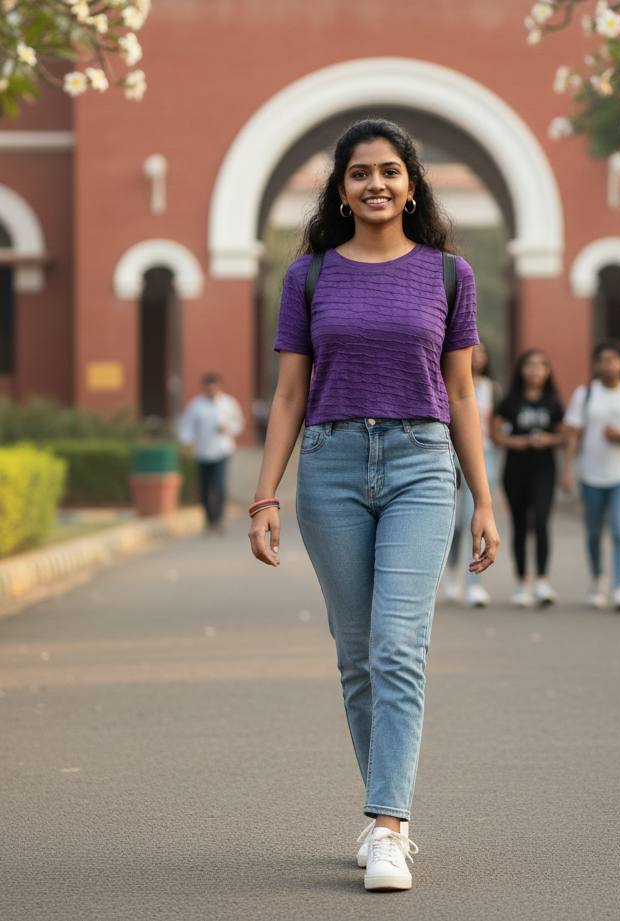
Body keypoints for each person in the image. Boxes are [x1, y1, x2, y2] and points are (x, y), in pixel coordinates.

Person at [248, 119, 499, 892]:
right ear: (340, 188)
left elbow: (460, 392)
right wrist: (265, 493)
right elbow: (290, 391)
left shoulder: (449, 275)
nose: (376, 184)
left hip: (422, 466)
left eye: (390, 171)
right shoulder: (309, 277)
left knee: (398, 646)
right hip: (329, 468)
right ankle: (382, 814)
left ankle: (388, 825)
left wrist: (483, 502)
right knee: (357, 658)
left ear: (412, 185)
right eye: (359, 173)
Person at [562, 339, 620, 612]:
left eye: (613, 359)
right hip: (591, 473)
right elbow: (573, 433)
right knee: (593, 532)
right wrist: (567, 469)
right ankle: (597, 580)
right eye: (602, 359)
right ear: (595, 364)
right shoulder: (586, 394)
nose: (607, 364)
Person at [493, 349, 565, 607]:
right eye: (529, 364)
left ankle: (542, 582)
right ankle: (522, 583)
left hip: (544, 470)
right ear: (521, 370)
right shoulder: (510, 401)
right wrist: (519, 442)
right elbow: (496, 434)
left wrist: (548, 439)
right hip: (515, 471)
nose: (535, 369)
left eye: (541, 365)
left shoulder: (552, 402)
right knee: (520, 526)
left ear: (547, 371)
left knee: (542, 522)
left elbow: (563, 435)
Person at [442, 341, 501, 607]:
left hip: (484, 457)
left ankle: (475, 584)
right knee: (454, 524)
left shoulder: (493, 389)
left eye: (481, 354)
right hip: (450, 455)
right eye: (472, 353)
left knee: (474, 519)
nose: (477, 358)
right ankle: (452, 571)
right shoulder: (444, 381)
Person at [178, 373, 245, 533]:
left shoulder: (228, 403)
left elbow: (239, 425)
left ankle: (219, 518)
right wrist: (186, 444)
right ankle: (209, 519)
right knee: (204, 486)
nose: (211, 391)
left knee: (219, 484)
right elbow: (187, 426)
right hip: (202, 452)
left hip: (222, 450)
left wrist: (227, 427)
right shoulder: (196, 405)